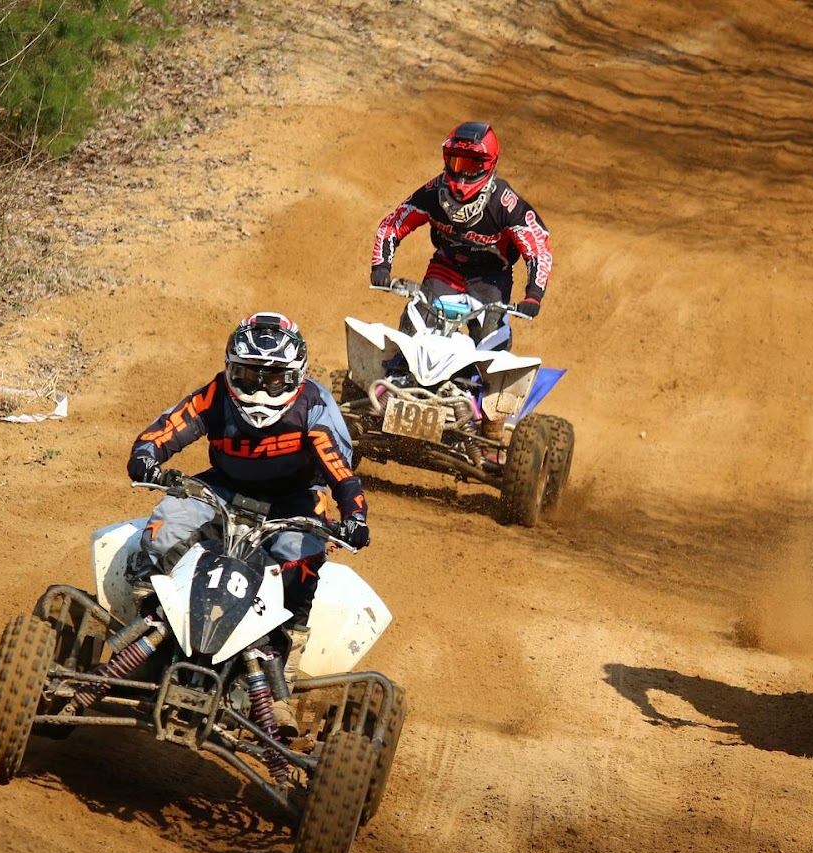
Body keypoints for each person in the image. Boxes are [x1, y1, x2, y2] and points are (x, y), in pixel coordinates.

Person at [127, 312, 370, 733]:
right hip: (223, 486)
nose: (259, 388)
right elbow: (168, 428)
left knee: (299, 561)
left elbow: (341, 472)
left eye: (273, 378)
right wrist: (146, 456)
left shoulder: (314, 406)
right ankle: (142, 628)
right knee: (166, 527)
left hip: (293, 500)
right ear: (230, 368)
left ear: (295, 376)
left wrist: (355, 516)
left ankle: (280, 684)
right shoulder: (218, 393)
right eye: (248, 374)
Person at [369, 121, 553, 351]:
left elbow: (539, 249)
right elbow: (393, 224)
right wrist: (381, 267)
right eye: (457, 163)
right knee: (415, 326)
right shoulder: (433, 192)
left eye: (472, 166)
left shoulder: (505, 203)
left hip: (491, 278)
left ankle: (490, 374)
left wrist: (533, 296)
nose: (463, 175)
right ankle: (399, 371)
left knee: (492, 342)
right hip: (447, 268)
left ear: (489, 165)